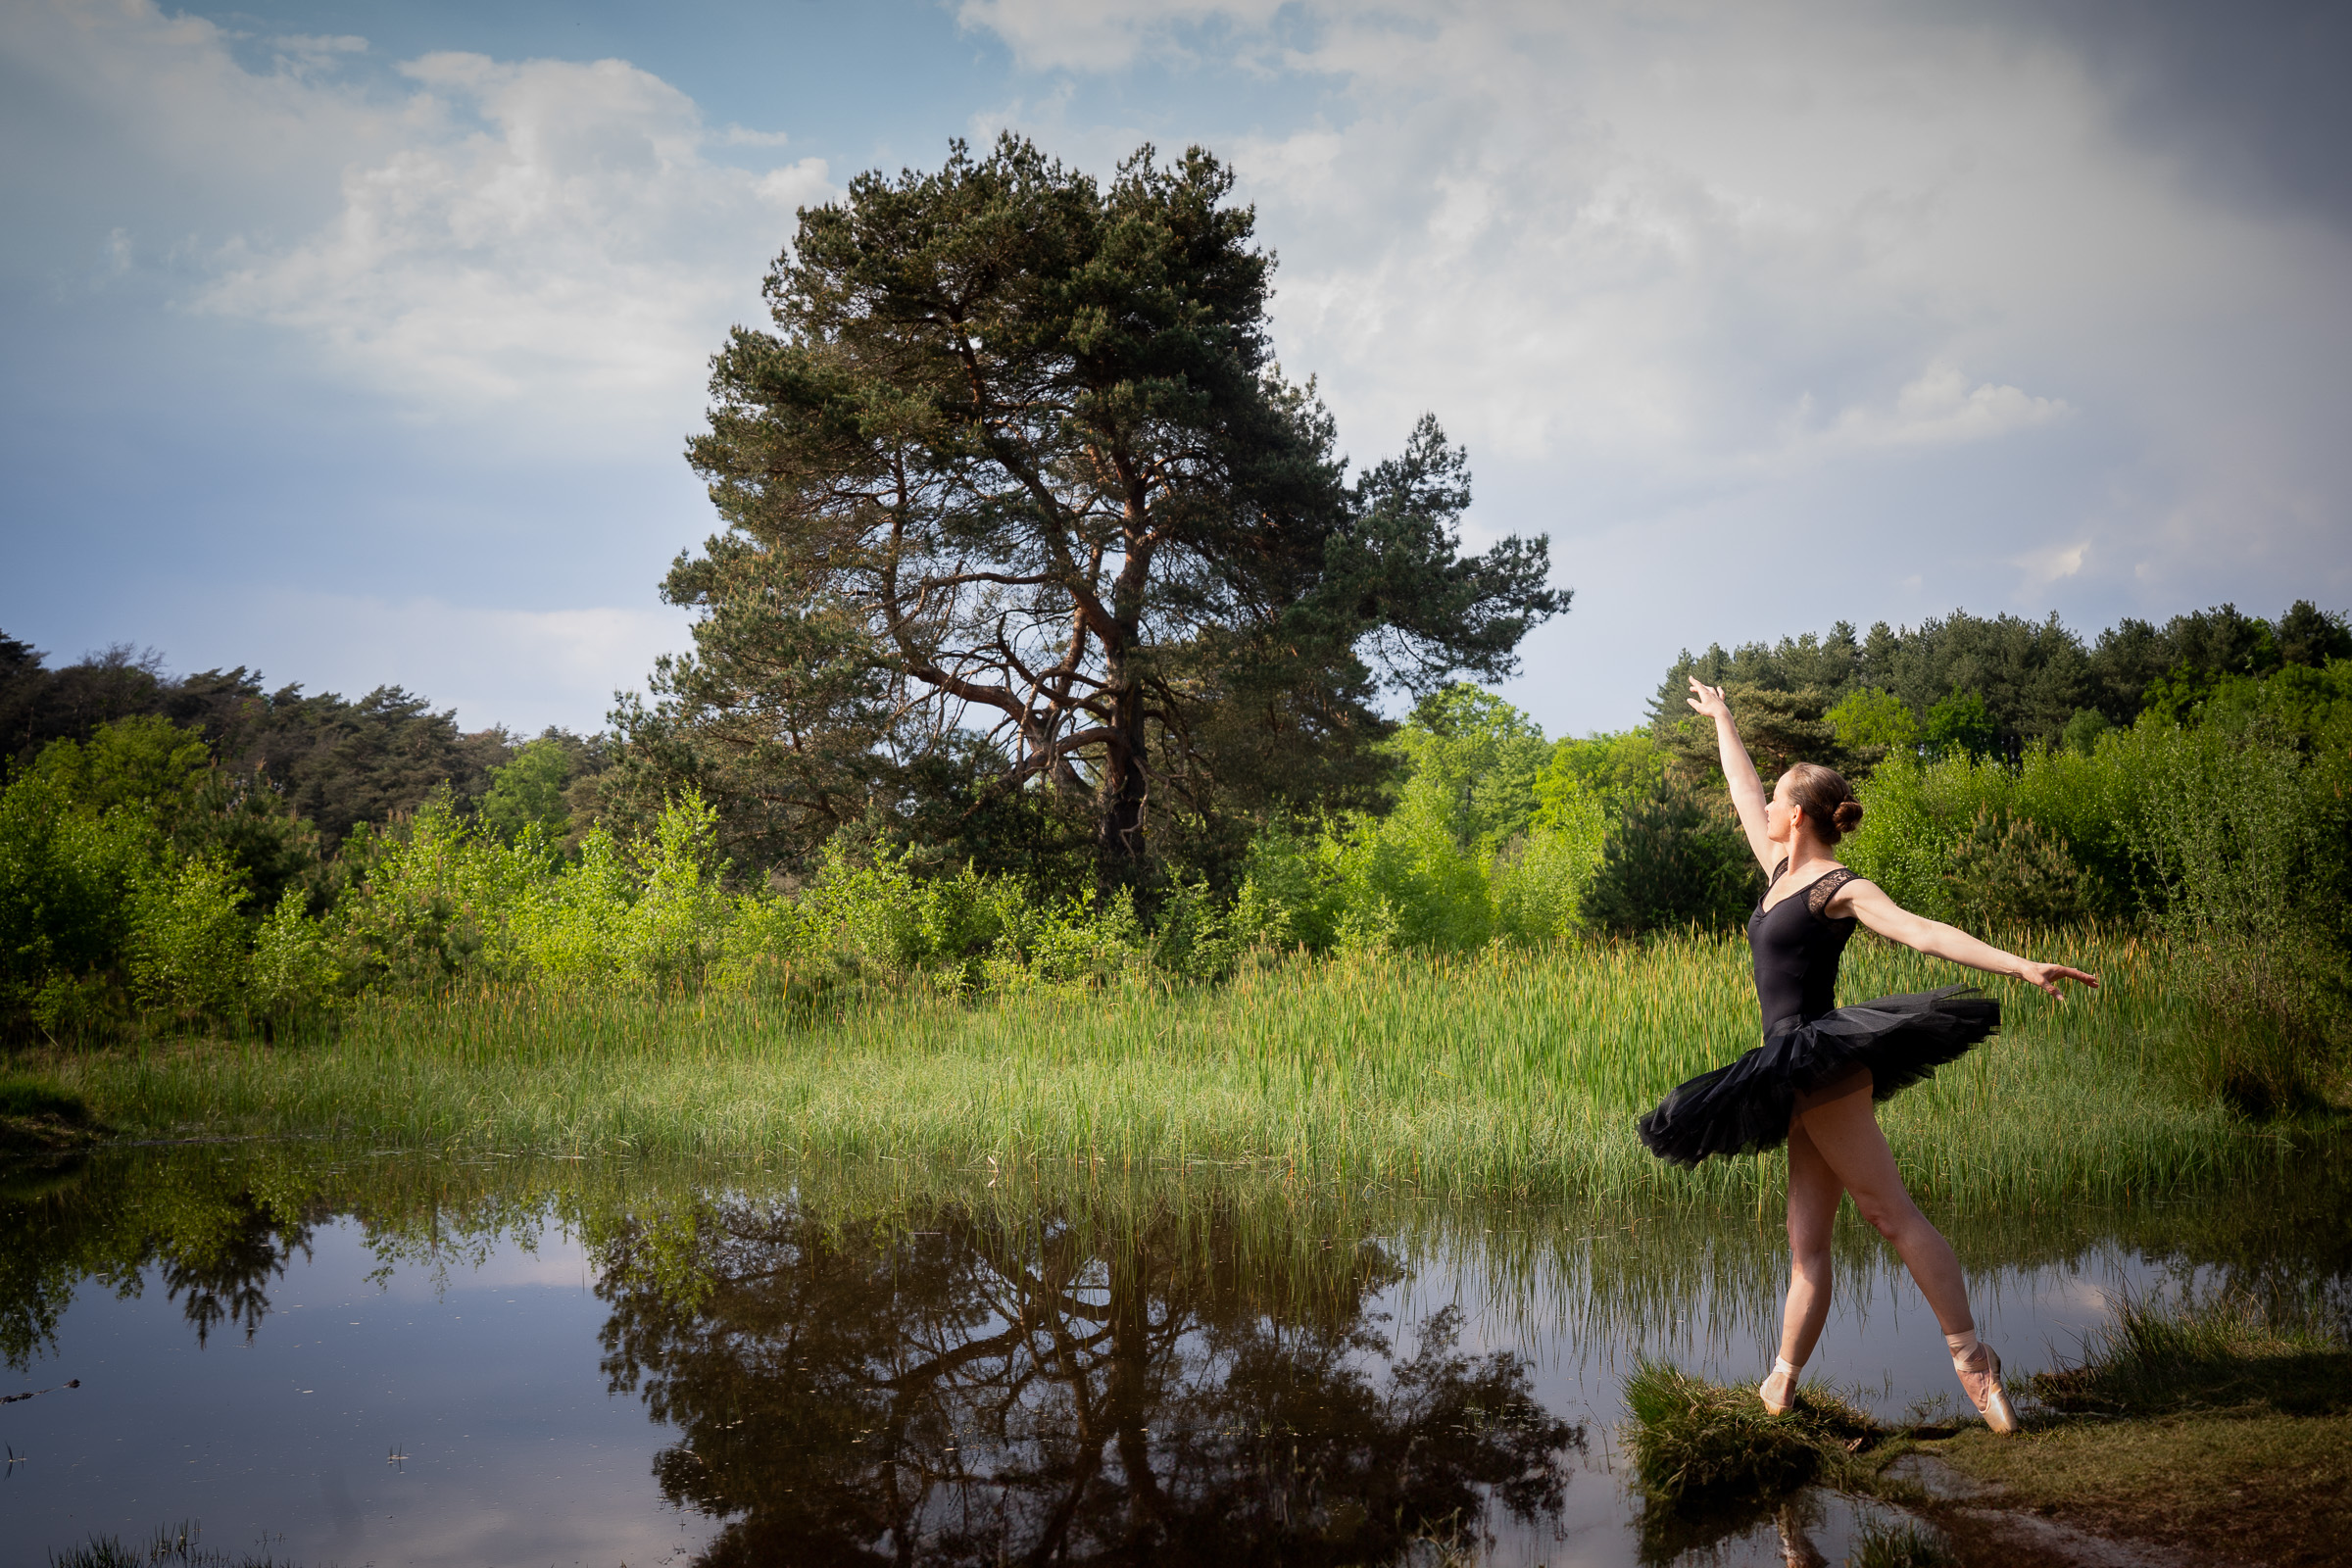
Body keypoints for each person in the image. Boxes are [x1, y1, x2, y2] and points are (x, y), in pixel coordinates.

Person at [1639, 678, 2098, 1433]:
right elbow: (1741, 788)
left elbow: (1923, 931)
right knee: (1806, 1245)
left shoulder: (1837, 888)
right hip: (1785, 1070)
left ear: (1797, 816)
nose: (1763, 811)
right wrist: (1724, 718)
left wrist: (2019, 964)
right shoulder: (1779, 869)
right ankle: (1781, 1384)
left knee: (1889, 1214)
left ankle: (1972, 1361)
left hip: (1821, 1062)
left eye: (1776, 802)